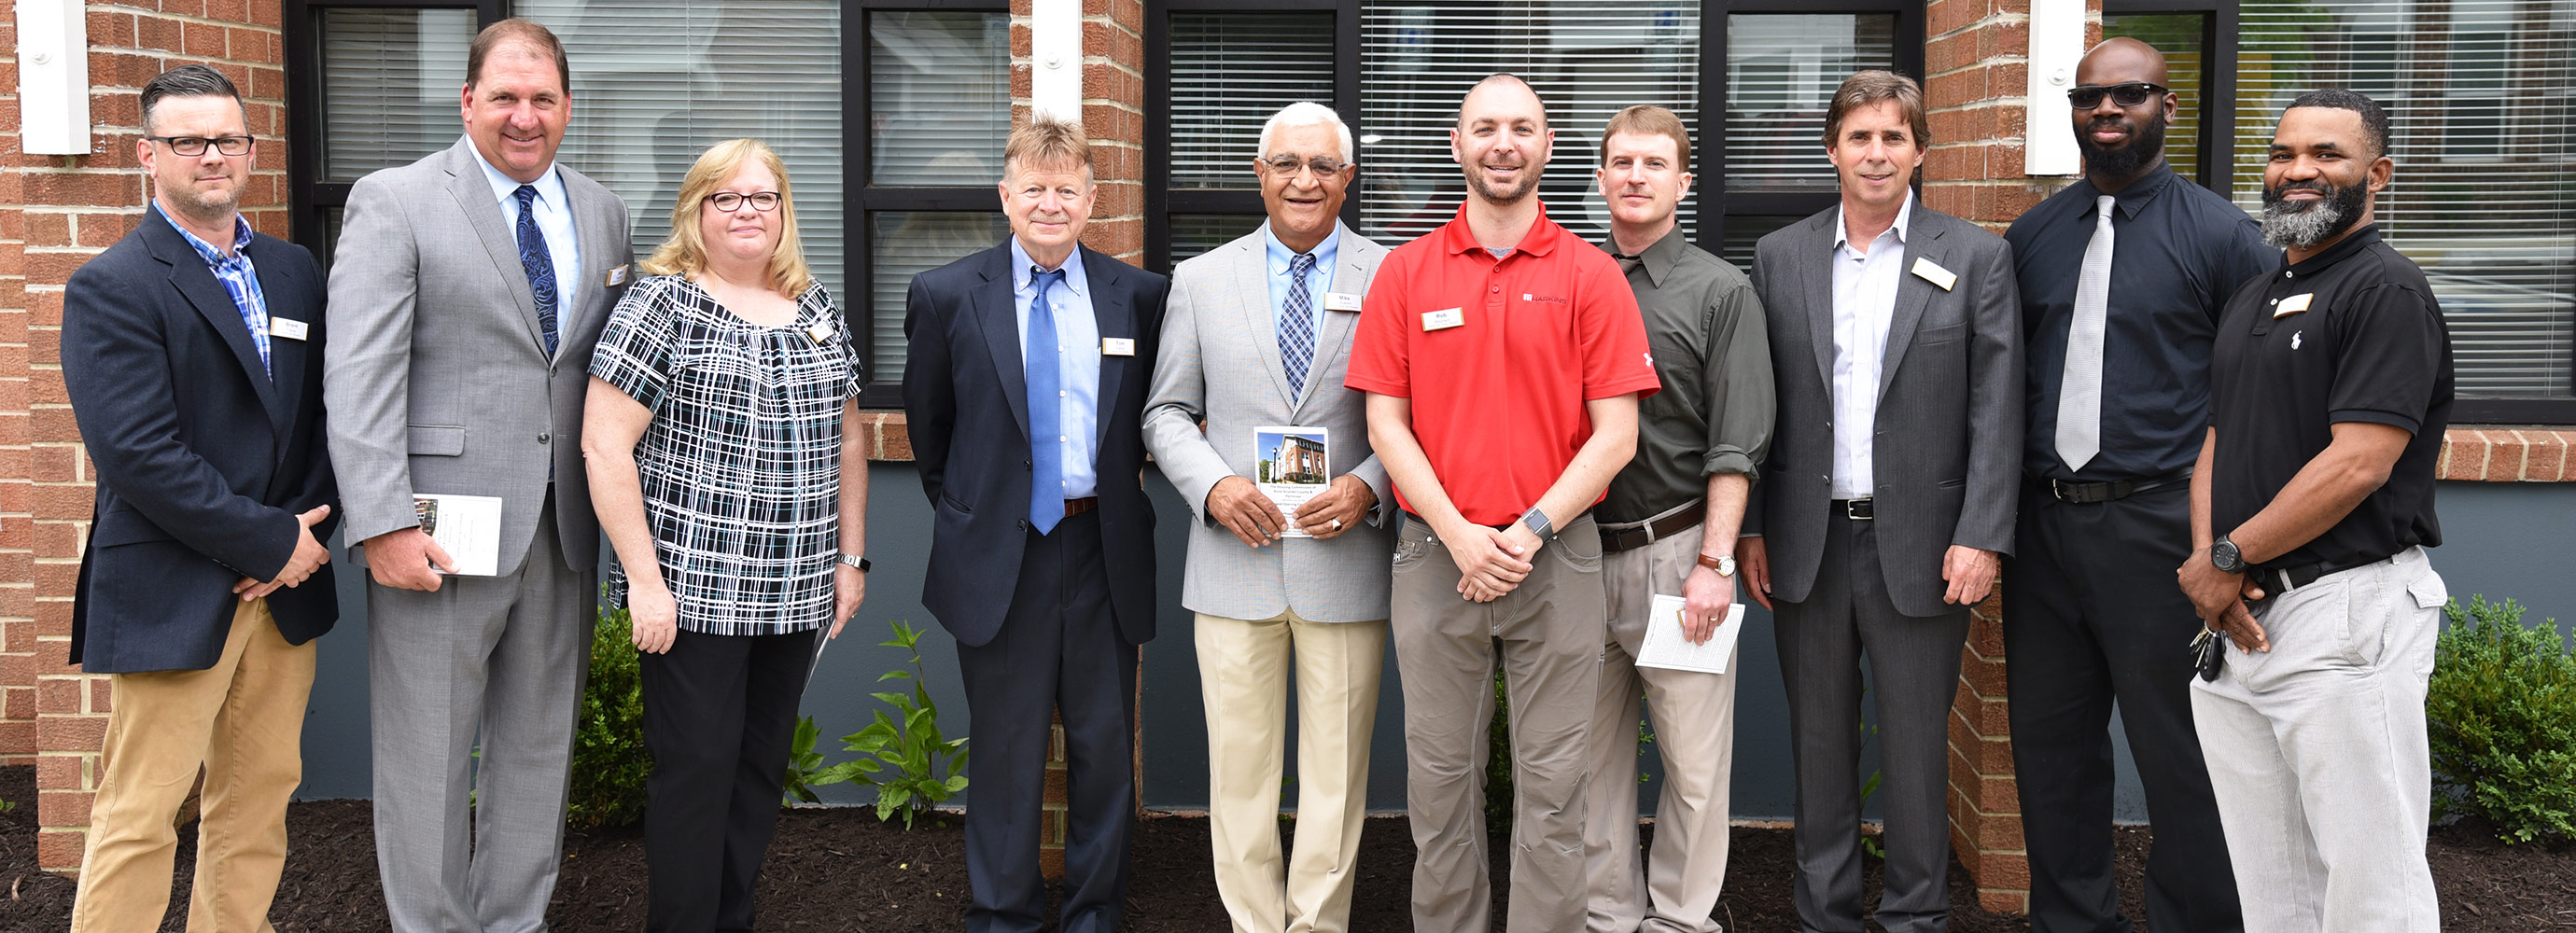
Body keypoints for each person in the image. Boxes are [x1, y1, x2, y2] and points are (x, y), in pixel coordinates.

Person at [322, 19, 635, 933]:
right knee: (427, 752)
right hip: (437, 530)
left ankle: (513, 920)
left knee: (537, 748)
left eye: (542, 98)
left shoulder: (604, 211)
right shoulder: (399, 199)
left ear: (568, 107)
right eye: (504, 96)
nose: (524, 116)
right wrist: (379, 519)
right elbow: (360, 372)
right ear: (468, 102)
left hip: (564, 525)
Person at [1345, 74, 1660, 933]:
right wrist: (1458, 534)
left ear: (1547, 148)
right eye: (1485, 127)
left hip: (1556, 558)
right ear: (1458, 146)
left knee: (1557, 788)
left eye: (1522, 127)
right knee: (1439, 782)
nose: (1504, 143)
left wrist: (1521, 533)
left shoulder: (1592, 276)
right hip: (1431, 557)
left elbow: (1615, 437)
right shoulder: (1407, 273)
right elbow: (1386, 423)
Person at [1733, 70, 2022, 933]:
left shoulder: (1974, 256)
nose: (1876, 153)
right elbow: (1760, 403)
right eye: (1860, 137)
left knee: (1915, 751)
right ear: (1832, 150)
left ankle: (1915, 914)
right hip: (1805, 542)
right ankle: (1823, 912)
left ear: (1921, 152)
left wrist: (1982, 534)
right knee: (1818, 746)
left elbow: (1997, 409)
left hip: (1926, 545)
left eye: (1894, 137)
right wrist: (1749, 525)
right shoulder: (1781, 257)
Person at [60, 63, 338, 933]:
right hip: (177, 589)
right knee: (142, 814)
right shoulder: (113, 285)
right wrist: (267, 542)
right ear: (149, 155)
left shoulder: (294, 272)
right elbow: (138, 455)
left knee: (258, 804)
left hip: (286, 589)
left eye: (227, 138)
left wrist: (307, 536)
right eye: (188, 140)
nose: (211, 155)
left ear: (252, 151)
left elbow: (331, 415)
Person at [2001, 37, 2267, 933]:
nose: (2107, 111)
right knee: (2050, 752)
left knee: (2181, 754)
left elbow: (2251, 404)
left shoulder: (2226, 238)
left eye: (2130, 94)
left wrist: (2224, 544)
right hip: (2044, 533)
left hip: (2162, 530)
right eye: (2090, 98)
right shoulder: (2034, 236)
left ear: (2168, 106)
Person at [2179, 89, 2453, 933]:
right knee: (2277, 890)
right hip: (2245, 622)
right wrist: (2210, 569)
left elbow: (2360, 462)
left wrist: (2226, 561)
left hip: (2344, 617)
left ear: (2376, 174)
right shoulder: (2256, 295)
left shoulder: (2385, 292)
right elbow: (2219, 441)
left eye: (2327, 155)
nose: (2300, 171)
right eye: (2285, 153)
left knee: (2375, 890)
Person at [581, 138, 867, 933]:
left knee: (756, 774)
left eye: (763, 196)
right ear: (696, 212)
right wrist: (643, 579)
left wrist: (850, 558)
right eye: (726, 197)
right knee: (696, 777)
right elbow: (604, 445)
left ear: (784, 213)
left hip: (794, 590)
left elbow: (848, 441)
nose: (747, 211)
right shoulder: (658, 305)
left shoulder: (816, 310)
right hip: (692, 594)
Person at [902, 117, 1170, 933]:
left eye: (1067, 189)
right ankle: (1004, 915)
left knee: (1101, 753)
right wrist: (983, 513)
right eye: (1035, 188)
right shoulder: (947, 295)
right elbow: (931, 434)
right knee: (1007, 752)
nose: (1050, 204)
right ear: (1005, 197)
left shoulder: (1141, 296)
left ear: (1094, 198)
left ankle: (1094, 913)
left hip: (1101, 548)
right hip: (1000, 557)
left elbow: (1154, 421)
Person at [1141, 101, 1393, 933]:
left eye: (1323, 166)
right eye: (1286, 163)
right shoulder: (1201, 279)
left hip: (1345, 559)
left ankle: (1316, 924)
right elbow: (1166, 413)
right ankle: (1254, 924)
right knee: (1240, 773)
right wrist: (1213, 487)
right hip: (1234, 562)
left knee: (1336, 775)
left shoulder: (1392, 276)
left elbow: (1422, 417)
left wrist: (1367, 483)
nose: (1304, 180)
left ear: (1347, 178)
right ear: (1259, 175)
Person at [1579, 104, 1774, 933]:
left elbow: (1738, 440)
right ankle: (1604, 915)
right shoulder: (1575, 283)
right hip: (1576, 559)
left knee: (1693, 768)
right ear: (1599, 177)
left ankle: (1682, 920)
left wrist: (1715, 563)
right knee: (1590, 763)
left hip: (1678, 554)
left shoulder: (1720, 292)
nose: (1634, 176)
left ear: (1684, 182)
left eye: (1654, 164)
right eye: (1621, 162)